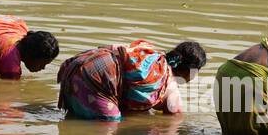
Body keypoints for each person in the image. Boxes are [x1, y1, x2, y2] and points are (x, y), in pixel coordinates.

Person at [57, 39, 206, 121]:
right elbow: (174, 119)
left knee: (73, 119)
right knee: (112, 130)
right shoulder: (170, 85)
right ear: (189, 71)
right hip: (94, 79)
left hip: (77, 65)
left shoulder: (151, 55)